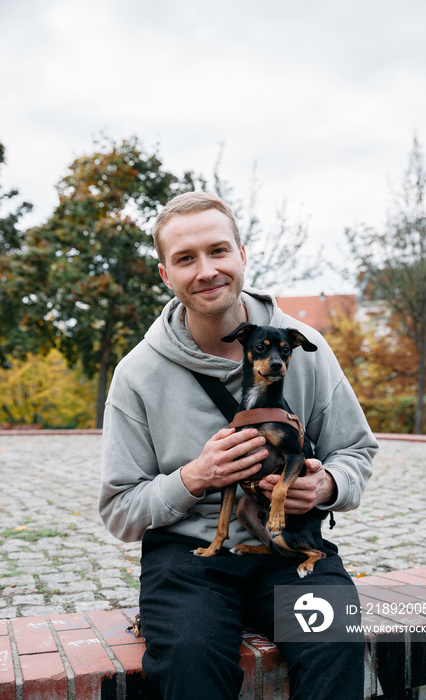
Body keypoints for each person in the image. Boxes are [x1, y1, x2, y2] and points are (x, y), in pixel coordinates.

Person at [99, 191, 378, 700]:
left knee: (335, 641)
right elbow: (120, 513)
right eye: (186, 258)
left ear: (242, 255)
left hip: (288, 553)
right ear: (166, 274)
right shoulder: (137, 374)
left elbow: (356, 451)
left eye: (218, 251)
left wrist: (326, 485)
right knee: (190, 661)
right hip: (190, 561)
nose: (206, 270)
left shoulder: (302, 345)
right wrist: (193, 478)